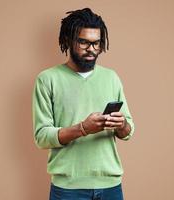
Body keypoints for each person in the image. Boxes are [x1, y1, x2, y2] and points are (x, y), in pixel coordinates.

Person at [32, 8, 135, 200]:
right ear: (69, 41)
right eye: (84, 42)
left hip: (110, 186)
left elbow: (128, 132)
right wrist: (83, 129)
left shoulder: (111, 78)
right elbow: (42, 136)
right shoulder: (47, 79)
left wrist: (121, 125)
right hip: (68, 189)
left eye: (96, 43)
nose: (92, 49)